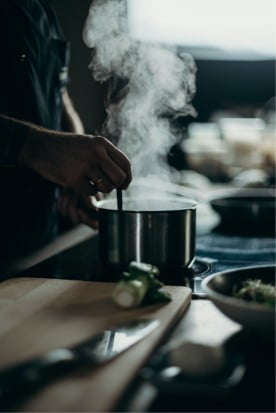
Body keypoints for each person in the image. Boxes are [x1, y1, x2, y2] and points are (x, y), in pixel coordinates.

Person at [0, 0, 132, 264]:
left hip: (36, 245)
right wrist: (39, 147)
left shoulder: (37, 8)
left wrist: (75, 163)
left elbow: (57, 91)